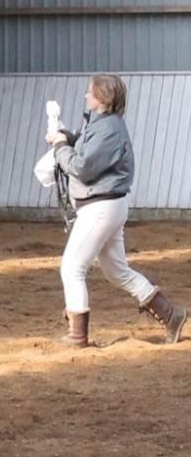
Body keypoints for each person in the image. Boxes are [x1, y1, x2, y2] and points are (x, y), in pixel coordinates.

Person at [46, 74, 187, 347]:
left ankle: (77, 336)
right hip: (108, 205)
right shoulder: (103, 125)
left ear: (102, 98)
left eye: (90, 93)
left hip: (100, 207)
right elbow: (89, 150)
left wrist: (61, 148)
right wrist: (68, 137)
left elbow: (83, 168)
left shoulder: (108, 128)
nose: (86, 96)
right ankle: (171, 316)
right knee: (117, 271)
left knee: (72, 267)